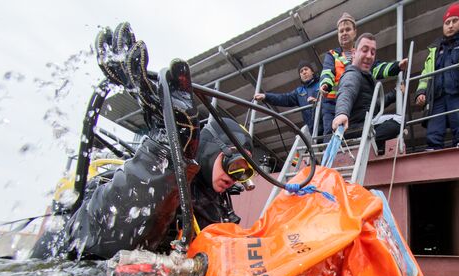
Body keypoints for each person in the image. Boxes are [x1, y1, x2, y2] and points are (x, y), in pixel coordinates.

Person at [30, 23, 255, 261]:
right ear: (210, 150)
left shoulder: (220, 207)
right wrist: (162, 155)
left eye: (245, 173)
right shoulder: (138, 174)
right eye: (235, 164)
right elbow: (89, 238)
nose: (235, 177)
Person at [319, 12, 407, 142]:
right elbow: (343, 84)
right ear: (355, 54)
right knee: (330, 137)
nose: (344, 33)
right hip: (334, 105)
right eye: (341, 31)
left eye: (347, 29)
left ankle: (365, 140)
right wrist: (326, 85)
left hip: (354, 107)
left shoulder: (365, 66)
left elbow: (378, 69)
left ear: (355, 32)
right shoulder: (334, 56)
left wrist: (397, 66)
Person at [415, 3, 459, 149]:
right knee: (433, 132)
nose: (450, 25)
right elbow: (425, 75)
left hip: (458, 94)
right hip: (437, 98)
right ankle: (433, 153)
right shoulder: (435, 50)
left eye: (454, 21)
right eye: (447, 22)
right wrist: (421, 92)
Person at [331, 33, 404, 154]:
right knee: (399, 120)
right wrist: (342, 113)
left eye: (373, 52)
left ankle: (372, 144)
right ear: (354, 53)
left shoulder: (365, 77)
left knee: (393, 120)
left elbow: (375, 106)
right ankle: (370, 145)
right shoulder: (352, 74)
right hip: (354, 128)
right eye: (364, 50)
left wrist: (395, 93)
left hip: (362, 125)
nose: (369, 56)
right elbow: (347, 91)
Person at [254, 60, 322, 136]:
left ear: (312, 71)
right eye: (301, 71)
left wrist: (318, 102)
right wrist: (266, 96)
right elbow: (284, 98)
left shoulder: (322, 83)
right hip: (313, 131)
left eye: (306, 69)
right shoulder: (299, 92)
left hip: (327, 124)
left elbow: (331, 100)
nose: (304, 72)